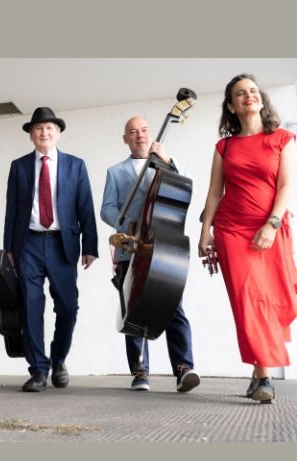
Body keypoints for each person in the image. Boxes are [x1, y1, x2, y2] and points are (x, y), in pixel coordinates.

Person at [199, 74, 297, 403]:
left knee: (277, 298)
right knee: (248, 301)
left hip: (271, 228)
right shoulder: (224, 146)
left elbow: (287, 186)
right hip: (231, 231)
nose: (248, 95)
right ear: (231, 106)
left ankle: (257, 375)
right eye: (240, 93)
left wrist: (271, 225)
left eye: (253, 91)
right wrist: (205, 231)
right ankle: (265, 375)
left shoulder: (283, 139)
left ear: (261, 99)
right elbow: (215, 193)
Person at [101, 116, 200, 393]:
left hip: (164, 248)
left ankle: (184, 368)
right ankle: (139, 372)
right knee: (133, 309)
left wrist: (166, 159)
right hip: (131, 248)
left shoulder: (169, 164)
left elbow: (186, 184)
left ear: (151, 134)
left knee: (173, 307)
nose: (139, 135)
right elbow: (107, 209)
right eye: (133, 132)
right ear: (126, 139)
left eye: (144, 130)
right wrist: (125, 225)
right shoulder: (116, 172)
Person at [4, 107, 98, 392]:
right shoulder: (19, 166)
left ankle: (58, 360)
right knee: (30, 305)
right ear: (31, 135)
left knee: (68, 307)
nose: (44, 133)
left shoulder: (75, 165)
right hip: (28, 243)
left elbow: (85, 206)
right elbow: (12, 209)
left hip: (62, 243)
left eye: (49, 128)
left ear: (58, 133)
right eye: (38, 128)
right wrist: (9, 247)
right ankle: (38, 370)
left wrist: (90, 245)